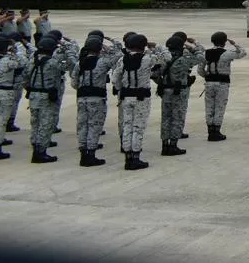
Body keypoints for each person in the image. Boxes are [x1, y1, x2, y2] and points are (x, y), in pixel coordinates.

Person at [115, 33, 168, 171]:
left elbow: (116, 79)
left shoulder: (122, 60)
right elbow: (166, 58)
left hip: (126, 96)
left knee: (127, 125)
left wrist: (122, 89)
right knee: (138, 127)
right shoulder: (148, 59)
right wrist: (156, 46)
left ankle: (127, 157)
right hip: (141, 97)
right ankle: (135, 157)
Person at [72, 33, 120, 167]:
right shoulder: (103, 62)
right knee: (94, 125)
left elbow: (74, 83)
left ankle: (83, 154)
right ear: (100, 49)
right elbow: (117, 55)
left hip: (82, 97)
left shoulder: (79, 64)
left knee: (82, 125)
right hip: (97, 98)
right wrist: (112, 42)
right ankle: (91, 155)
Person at [24, 36, 71, 164]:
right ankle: (40, 152)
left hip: (34, 95)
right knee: (46, 124)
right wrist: (67, 48)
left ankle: (35, 144)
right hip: (46, 97)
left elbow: (25, 78)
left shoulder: (31, 61)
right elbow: (68, 66)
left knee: (35, 122)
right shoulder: (53, 63)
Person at [156, 33, 204, 156]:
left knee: (166, 117)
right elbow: (201, 57)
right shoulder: (184, 60)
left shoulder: (162, 58)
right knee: (177, 118)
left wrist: (162, 83)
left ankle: (164, 145)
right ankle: (173, 145)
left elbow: (154, 74)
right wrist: (193, 46)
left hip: (166, 91)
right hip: (179, 92)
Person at [200, 31, 246, 142]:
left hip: (209, 83)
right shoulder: (227, 53)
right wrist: (235, 44)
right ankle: (216, 130)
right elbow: (243, 53)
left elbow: (200, 70)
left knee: (209, 106)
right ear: (224, 42)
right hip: (222, 83)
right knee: (219, 106)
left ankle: (210, 130)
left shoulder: (206, 53)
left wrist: (207, 75)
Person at [0, 34, 24, 160]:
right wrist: (15, 50)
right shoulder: (7, 61)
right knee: (0, 122)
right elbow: (22, 62)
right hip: (3, 93)